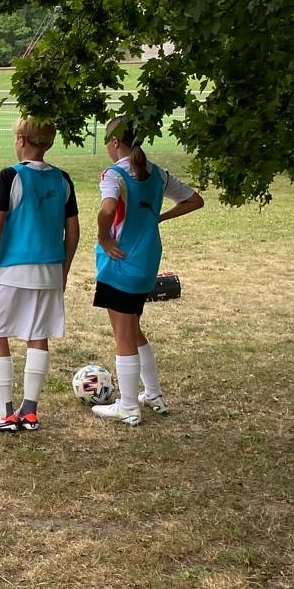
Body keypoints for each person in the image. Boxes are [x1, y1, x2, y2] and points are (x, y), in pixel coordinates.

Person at [0, 118, 80, 433]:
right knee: (36, 335)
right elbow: (73, 230)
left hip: (14, 269)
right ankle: (29, 412)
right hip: (50, 271)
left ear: (20, 139)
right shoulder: (62, 179)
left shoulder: (9, 177)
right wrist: (64, 269)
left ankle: (3, 412)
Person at [92, 117, 204, 425]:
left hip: (120, 263)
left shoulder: (114, 175)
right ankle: (152, 393)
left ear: (115, 143)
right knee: (134, 329)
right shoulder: (157, 173)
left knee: (123, 334)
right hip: (146, 262)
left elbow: (107, 210)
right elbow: (195, 200)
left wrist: (104, 237)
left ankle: (128, 406)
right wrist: (160, 217)